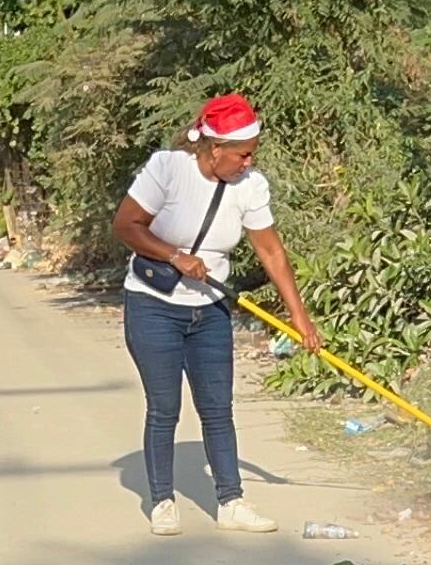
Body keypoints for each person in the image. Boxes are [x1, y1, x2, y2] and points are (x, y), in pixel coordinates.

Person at [111, 92, 321, 536]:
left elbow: (270, 251)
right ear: (214, 149)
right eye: (242, 154)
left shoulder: (251, 186)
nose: (248, 162)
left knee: (217, 408)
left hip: (210, 308)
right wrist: (174, 256)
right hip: (154, 304)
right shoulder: (168, 168)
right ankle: (163, 500)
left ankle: (231, 500)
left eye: (252, 154)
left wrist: (299, 316)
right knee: (165, 407)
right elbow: (125, 225)